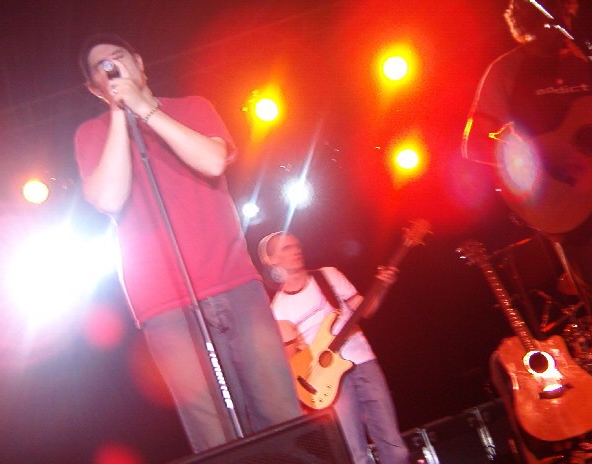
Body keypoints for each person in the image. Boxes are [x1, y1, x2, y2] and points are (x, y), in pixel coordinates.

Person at [74, 33, 301, 455]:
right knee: (212, 431)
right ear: (94, 88)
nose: (111, 69)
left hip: (232, 280)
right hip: (163, 303)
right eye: (100, 69)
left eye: (118, 58)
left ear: (139, 63)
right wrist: (121, 113)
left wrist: (145, 108)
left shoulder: (193, 107)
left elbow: (212, 161)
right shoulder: (92, 134)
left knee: (279, 412)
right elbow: (108, 198)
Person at [463, 0, 592, 461]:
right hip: (570, 210)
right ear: (525, 19)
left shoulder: (586, 61)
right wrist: (543, 155)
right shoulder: (507, 71)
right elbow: (476, 142)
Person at [257, 231, 410, 464]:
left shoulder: (327, 276)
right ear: (271, 259)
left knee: (395, 447)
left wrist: (383, 287)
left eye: (296, 245)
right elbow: (292, 363)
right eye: (287, 248)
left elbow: (365, 310)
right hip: (328, 381)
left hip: (361, 361)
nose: (296, 250)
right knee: (355, 454)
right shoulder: (277, 309)